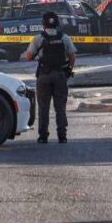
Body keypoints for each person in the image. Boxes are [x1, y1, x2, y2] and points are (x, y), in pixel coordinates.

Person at [24, 11, 77, 144]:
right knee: (60, 107)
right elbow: (72, 56)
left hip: (44, 76)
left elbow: (28, 56)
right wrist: (69, 69)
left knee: (43, 107)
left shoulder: (38, 38)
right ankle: (62, 136)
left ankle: (43, 136)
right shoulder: (64, 37)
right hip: (60, 75)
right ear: (57, 23)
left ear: (43, 24)